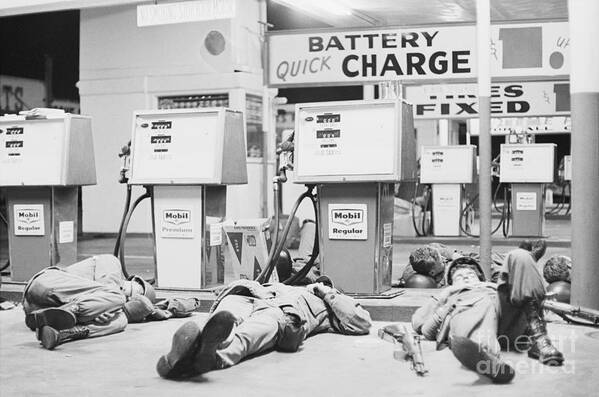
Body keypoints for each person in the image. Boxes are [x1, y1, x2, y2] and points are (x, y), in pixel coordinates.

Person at [156, 277, 372, 379]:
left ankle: (212, 356)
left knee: (248, 333)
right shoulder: (285, 285)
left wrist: (326, 292)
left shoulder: (327, 304)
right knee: (224, 319)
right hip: (248, 295)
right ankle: (190, 349)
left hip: (281, 314)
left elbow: (360, 321)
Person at [412, 247, 563, 384]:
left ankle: (540, 341)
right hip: (469, 312)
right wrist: (447, 294)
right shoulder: (452, 296)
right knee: (481, 302)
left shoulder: (493, 288)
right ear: (451, 284)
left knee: (519, 256)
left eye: (470, 274)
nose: (465, 277)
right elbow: (419, 322)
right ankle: (487, 359)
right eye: (459, 277)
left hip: (507, 322)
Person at [23, 254, 198, 350]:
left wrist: (101, 313)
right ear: (131, 281)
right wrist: (105, 307)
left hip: (39, 310)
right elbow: (111, 289)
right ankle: (72, 310)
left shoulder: (109, 299)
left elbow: (117, 303)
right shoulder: (111, 265)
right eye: (135, 292)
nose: (130, 296)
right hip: (45, 285)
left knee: (120, 322)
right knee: (117, 300)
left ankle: (62, 334)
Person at [400, 240, 547, 288]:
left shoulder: (424, 255)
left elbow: (436, 247)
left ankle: (520, 255)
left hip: (463, 256)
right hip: (463, 268)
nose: (443, 260)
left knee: (488, 256)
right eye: (441, 262)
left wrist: (452, 255)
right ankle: (526, 259)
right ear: (432, 272)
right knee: (488, 265)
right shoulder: (418, 278)